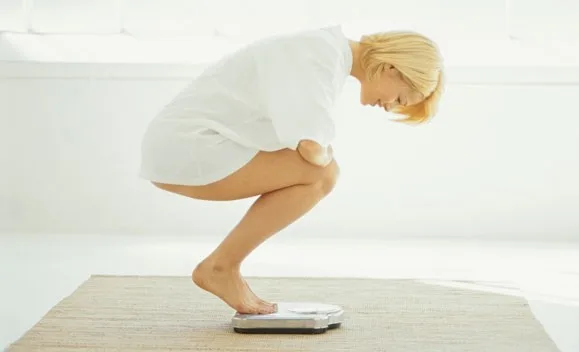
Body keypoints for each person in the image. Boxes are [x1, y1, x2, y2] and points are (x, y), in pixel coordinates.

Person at [139, 25, 444, 315]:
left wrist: (321, 151)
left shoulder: (325, 51)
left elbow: (306, 142)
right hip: (186, 147)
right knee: (324, 174)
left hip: (184, 146)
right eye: (401, 98)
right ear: (392, 68)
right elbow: (310, 148)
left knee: (323, 172)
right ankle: (221, 267)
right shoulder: (320, 54)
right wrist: (324, 152)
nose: (391, 107)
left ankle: (222, 266)